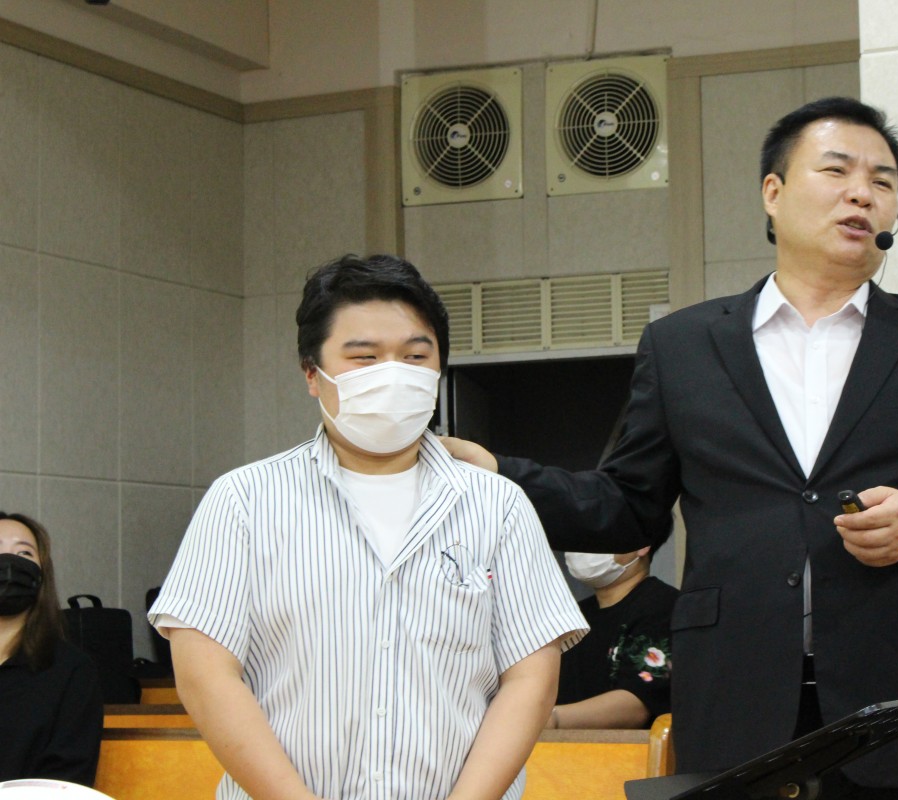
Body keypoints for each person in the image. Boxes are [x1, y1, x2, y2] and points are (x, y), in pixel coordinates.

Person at [442, 97, 898, 798]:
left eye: (882, 181)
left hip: (896, 707)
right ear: (773, 192)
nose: (862, 193)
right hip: (734, 706)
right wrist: (500, 473)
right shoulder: (683, 346)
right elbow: (628, 505)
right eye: (837, 171)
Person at [149, 254, 587, 800]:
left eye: (415, 356)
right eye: (364, 357)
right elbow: (206, 676)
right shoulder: (244, 500)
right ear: (313, 374)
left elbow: (530, 679)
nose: (393, 373)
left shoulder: (497, 505)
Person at [0, 511, 104, 786]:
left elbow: (66, 777)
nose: (9, 561)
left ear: (41, 574)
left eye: (24, 553)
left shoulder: (72, 671)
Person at [549, 547, 677, 730]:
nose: (582, 545)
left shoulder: (664, 606)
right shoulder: (571, 617)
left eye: (596, 534)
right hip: (556, 746)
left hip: (628, 747)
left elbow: (636, 705)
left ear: (642, 545)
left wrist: (550, 719)